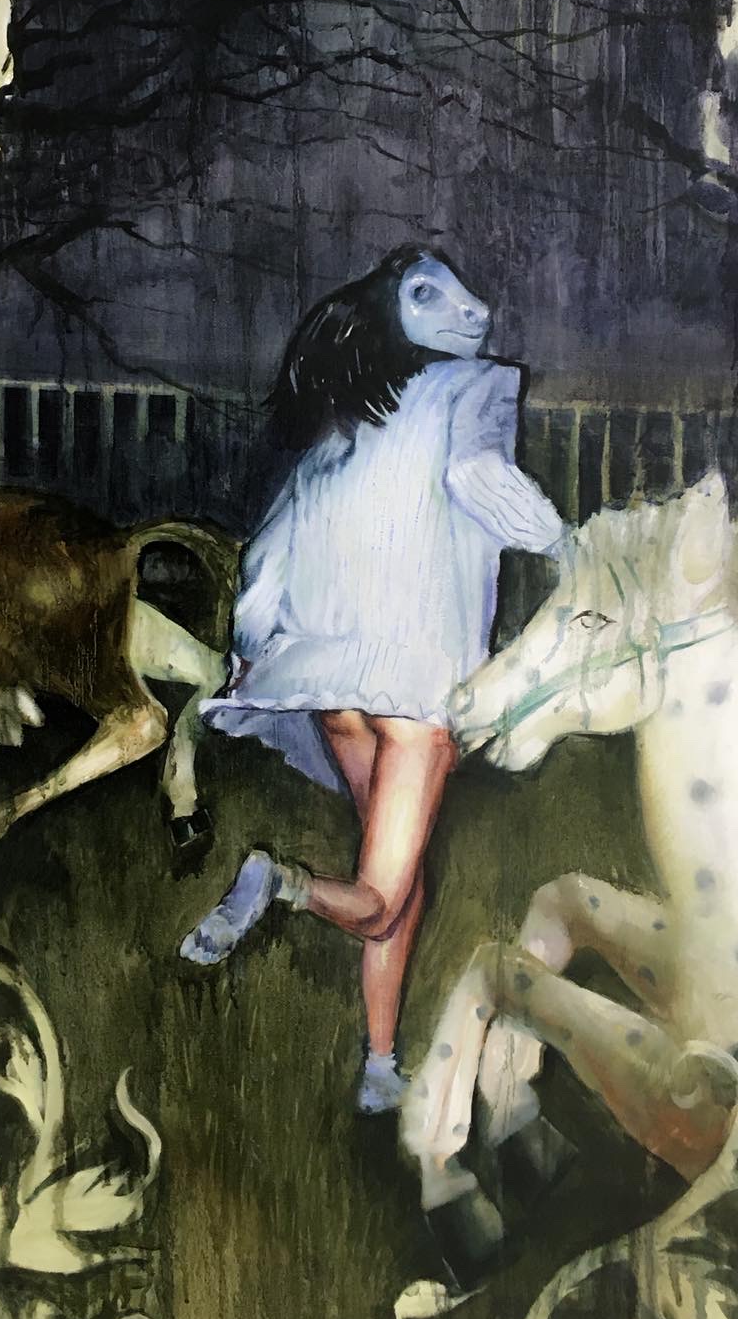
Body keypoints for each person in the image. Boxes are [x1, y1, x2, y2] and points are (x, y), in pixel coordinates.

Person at [179, 245, 565, 1113]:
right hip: (419, 683)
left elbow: (271, 551)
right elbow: (478, 477)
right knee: (381, 895)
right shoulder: (473, 388)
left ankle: (381, 1067)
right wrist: (565, 544)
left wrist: (253, 647)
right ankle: (278, 882)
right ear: (396, 314)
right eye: (433, 296)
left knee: (396, 878)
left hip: (333, 686)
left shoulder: (341, 424)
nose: (472, 312)